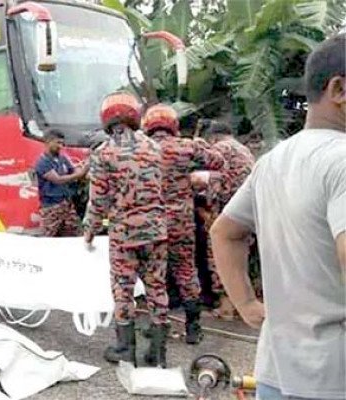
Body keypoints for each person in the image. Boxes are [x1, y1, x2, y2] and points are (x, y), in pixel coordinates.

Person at [210, 33, 345, 400]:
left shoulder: (272, 162)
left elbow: (225, 232)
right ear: (339, 89)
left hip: (275, 372)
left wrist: (246, 303)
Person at [84, 92, 169, 367]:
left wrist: (89, 229)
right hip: (157, 231)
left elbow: (98, 200)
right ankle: (158, 351)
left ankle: (125, 350)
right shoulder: (155, 148)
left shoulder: (104, 153)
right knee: (157, 287)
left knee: (123, 289)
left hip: (125, 236)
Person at [142, 104, 224, 345]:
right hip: (180, 222)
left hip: (152, 222)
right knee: (186, 271)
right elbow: (217, 161)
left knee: (154, 273)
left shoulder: (140, 149)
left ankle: (158, 327)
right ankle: (193, 328)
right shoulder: (187, 147)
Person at [200, 121, 255, 319]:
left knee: (218, 255)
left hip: (226, 212)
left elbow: (212, 182)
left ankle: (226, 306)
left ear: (213, 138)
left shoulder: (219, 149)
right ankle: (241, 303)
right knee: (241, 257)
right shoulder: (245, 150)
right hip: (248, 213)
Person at [35, 130, 88, 237]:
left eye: (62, 143)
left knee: (77, 234)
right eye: (58, 143)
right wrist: (81, 173)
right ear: (48, 142)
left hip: (66, 204)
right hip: (51, 207)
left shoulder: (62, 158)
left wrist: (81, 172)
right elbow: (58, 179)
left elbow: (73, 170)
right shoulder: (43, 162)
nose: (61, 146)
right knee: (47, 236)